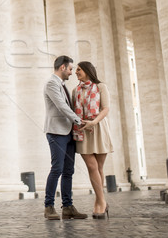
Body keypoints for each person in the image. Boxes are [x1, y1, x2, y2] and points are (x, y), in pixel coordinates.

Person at [43, 55, 88, 220]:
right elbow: (61, 106)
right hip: (56, 132)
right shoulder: (51, 84)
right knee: (57, 169)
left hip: (68, 132)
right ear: (62, 67)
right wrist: (78, 120)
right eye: (70, 69)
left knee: (69, 171)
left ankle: (68, 207)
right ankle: (49, 207)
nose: (71, 73)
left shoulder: (62, 85)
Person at [72, 61, 114, 219]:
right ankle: (102, 201)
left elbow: (106, 108)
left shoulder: (101, 87)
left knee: (99, 168)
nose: (76, 72)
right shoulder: (74, 90)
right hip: (83, 131)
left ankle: (99, 201)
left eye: (79, 69)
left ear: (88, 71)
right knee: (92, 166)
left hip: (99, 128)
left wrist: (94, 122)